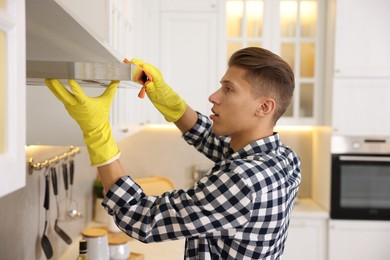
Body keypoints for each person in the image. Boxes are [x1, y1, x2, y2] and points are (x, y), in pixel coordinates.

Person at [45, 47, 301, 259]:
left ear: (264, 106)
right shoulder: (283, 159)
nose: (214, 96)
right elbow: (211, 140)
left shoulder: (243, 180)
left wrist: (97, 133)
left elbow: (141, 217)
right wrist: (166, 98)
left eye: (228, 89)